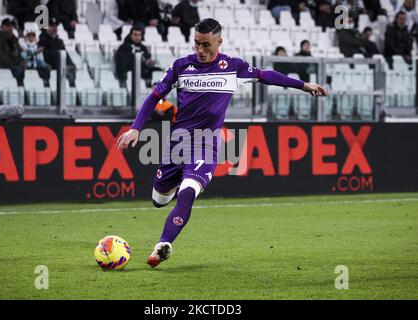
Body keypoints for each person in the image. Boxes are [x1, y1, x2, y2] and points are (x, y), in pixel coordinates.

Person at [116, 18, 326, 268]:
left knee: (189, 190)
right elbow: (154, 97)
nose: (200, 50)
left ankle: (163, 245)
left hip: (206, 144)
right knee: (159, 200)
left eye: (206, 45)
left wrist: (304, 85)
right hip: (176, 144)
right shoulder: (180, 66)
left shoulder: (233, 66)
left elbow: (266, 75)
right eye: (196, 44)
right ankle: (171, 193)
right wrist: (135, 129)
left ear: (219, 42)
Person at [38, 18, 76, 86]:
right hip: (48, 67)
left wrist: (71, 64)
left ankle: (72, 90)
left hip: (59, 65)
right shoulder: (42, 40)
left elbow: (65, 54)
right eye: (52, 26)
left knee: (71, 69)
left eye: (55, 26)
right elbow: (46, 56)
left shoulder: (59, 41)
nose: (54, 28)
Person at [0, 18, 25, 86]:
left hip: (12, 67)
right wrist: (13, 63)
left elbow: (20, 53)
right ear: (3, 26)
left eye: (11, 26)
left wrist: (22, 62)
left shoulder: (13, 39)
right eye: (8, 26)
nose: (11, 28)